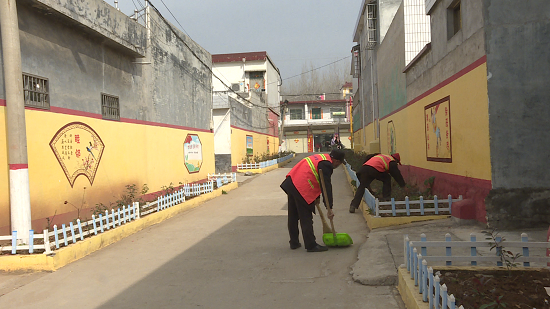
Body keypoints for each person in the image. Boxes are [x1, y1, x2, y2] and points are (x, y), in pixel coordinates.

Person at [280, 149, 345, 252]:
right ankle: (311, 245)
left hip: (291, 182)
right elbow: (326, 186)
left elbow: (317, 178)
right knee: (306, 217)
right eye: (340, 163)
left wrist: (317, 197)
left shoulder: (321, 157)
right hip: (301, 187)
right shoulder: (327, 165)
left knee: (293, 215)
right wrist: (329, 208)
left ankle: (294, 242)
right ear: (337, 161)